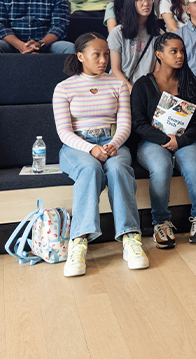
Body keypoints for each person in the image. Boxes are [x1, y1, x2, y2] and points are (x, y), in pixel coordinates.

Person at [54, 32, 147, 277]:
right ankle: (79, 241)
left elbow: (125, 124)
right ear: (81, 56)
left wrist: (113, 144)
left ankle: (130, 237)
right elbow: (63, 131)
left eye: (106, 54)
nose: (104, 59)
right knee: (89, 168)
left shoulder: (117, 84)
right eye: (97, 54)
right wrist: (90, 149)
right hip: (77, 146)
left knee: (117, 168)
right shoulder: (64, 88)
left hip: (112, 141)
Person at [132, 32, 196, 248]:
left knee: (195, 167)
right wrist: (165, 139)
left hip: (184, 140)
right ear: (159, 54)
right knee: (160, 167)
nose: (179, 56)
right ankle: (161, 222)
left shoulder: (189, 82)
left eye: (182, 51)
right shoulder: (142, 85)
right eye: (173, 51)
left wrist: (180, 141)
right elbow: (138, 124)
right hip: (152, 142)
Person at [109, 0, 163, 92]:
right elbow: (115, 70)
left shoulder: (159, 34)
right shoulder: (117, 33)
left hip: (145, 90)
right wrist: (131, 89)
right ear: (131, 2)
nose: (146, 3)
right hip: (120, 88)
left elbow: (157, 72)